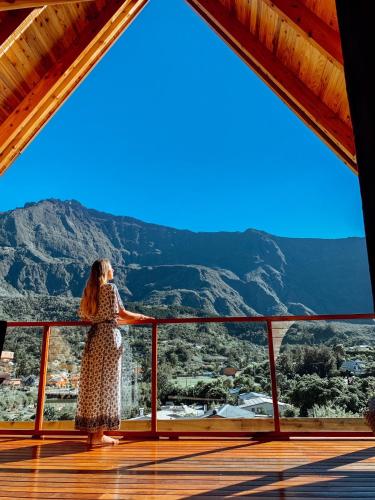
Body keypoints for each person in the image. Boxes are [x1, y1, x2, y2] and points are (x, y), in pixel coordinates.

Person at [74, 259, 154, 446]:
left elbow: (90, 316)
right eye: (111, 267)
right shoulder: (110, 289)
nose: (114, 269)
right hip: (109, 339)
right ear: (105, 271)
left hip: (94, 339)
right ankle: (99, 435)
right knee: (107, 384)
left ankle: (92, 433)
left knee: (93, 385)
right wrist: (144, 317)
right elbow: (122, 313)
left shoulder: (89, 292)